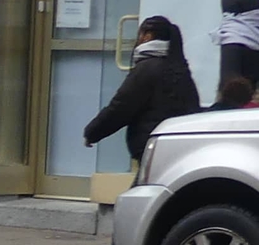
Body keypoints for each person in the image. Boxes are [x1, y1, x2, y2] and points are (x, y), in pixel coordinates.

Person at [82, 15, 201, 162]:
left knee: (147, 185)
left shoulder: (147, 68)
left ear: (147, 36)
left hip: (153, 147)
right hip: (177, 145)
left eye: (139, 34)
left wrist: (92, 132)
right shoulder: (179, 68)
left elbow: (121, 107)